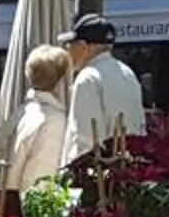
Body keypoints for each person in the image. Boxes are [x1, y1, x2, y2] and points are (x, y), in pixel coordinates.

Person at [58, 13, 148, 167]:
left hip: (97, 176)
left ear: (83, 46)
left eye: (69, 45)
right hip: (127, 169)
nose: (67, 51)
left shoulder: (87, 78)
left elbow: (84, 139)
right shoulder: (127, 72)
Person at [8, 45, 72, 197]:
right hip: (40, 203)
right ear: (60, 81)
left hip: (14, 197)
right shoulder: (55, 120)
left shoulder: (20, 113)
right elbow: (45, 173)